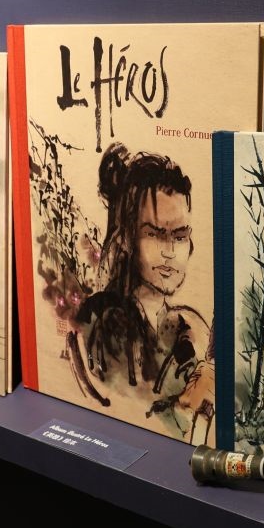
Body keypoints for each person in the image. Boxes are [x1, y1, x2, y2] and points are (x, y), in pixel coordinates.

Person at [71, 142, 212, 443]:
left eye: (179, 236)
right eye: (154, 234)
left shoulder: (191, 326)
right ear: (125, 238)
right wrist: (187, 405)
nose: (170, 251)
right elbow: (123, 409)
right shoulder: (100, 321)